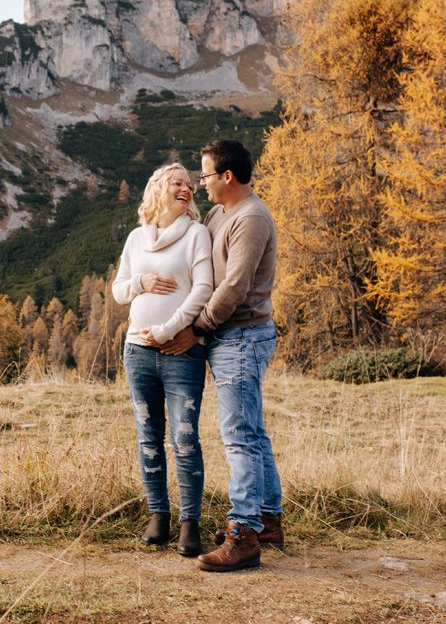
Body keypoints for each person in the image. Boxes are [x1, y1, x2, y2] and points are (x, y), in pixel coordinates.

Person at [159, 139, 282, 572]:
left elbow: (234, 287)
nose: (202, 182)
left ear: (227, 177)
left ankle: (244, 535)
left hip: (242, 337)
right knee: (253, 431)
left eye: (207, 175)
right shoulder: (219, 213)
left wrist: (197, 328)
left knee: (239, 437)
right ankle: (267, 519)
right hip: (231, 337)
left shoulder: (250, 219)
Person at [111, 163, 214, 557]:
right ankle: (159, 515)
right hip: (137, 352)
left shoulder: (196, 235)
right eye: (178, 182)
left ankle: (190, 523)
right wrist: (143, 283)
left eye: (191, 184)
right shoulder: (137, 239)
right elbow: (120, 290)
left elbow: (203, 288)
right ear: (159, 189)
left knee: (185, 439)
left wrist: (170, 329)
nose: (188, 188)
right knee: (148, 436)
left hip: (181, 353)